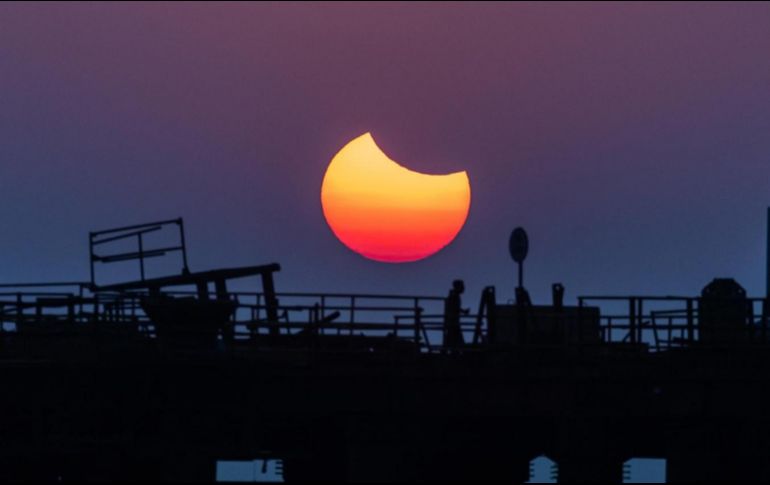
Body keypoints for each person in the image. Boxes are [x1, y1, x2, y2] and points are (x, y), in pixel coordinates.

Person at [444, 279, 469, 351]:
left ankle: (447, 350)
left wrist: (463, 311)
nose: (463, 288)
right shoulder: (454, 296)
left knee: (452, 339)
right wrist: (464, 311)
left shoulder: (453, 295)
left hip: (452, 322)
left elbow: (454, 307)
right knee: (457, 340)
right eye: (462, 286)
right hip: (453, 322)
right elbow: (454, 308)